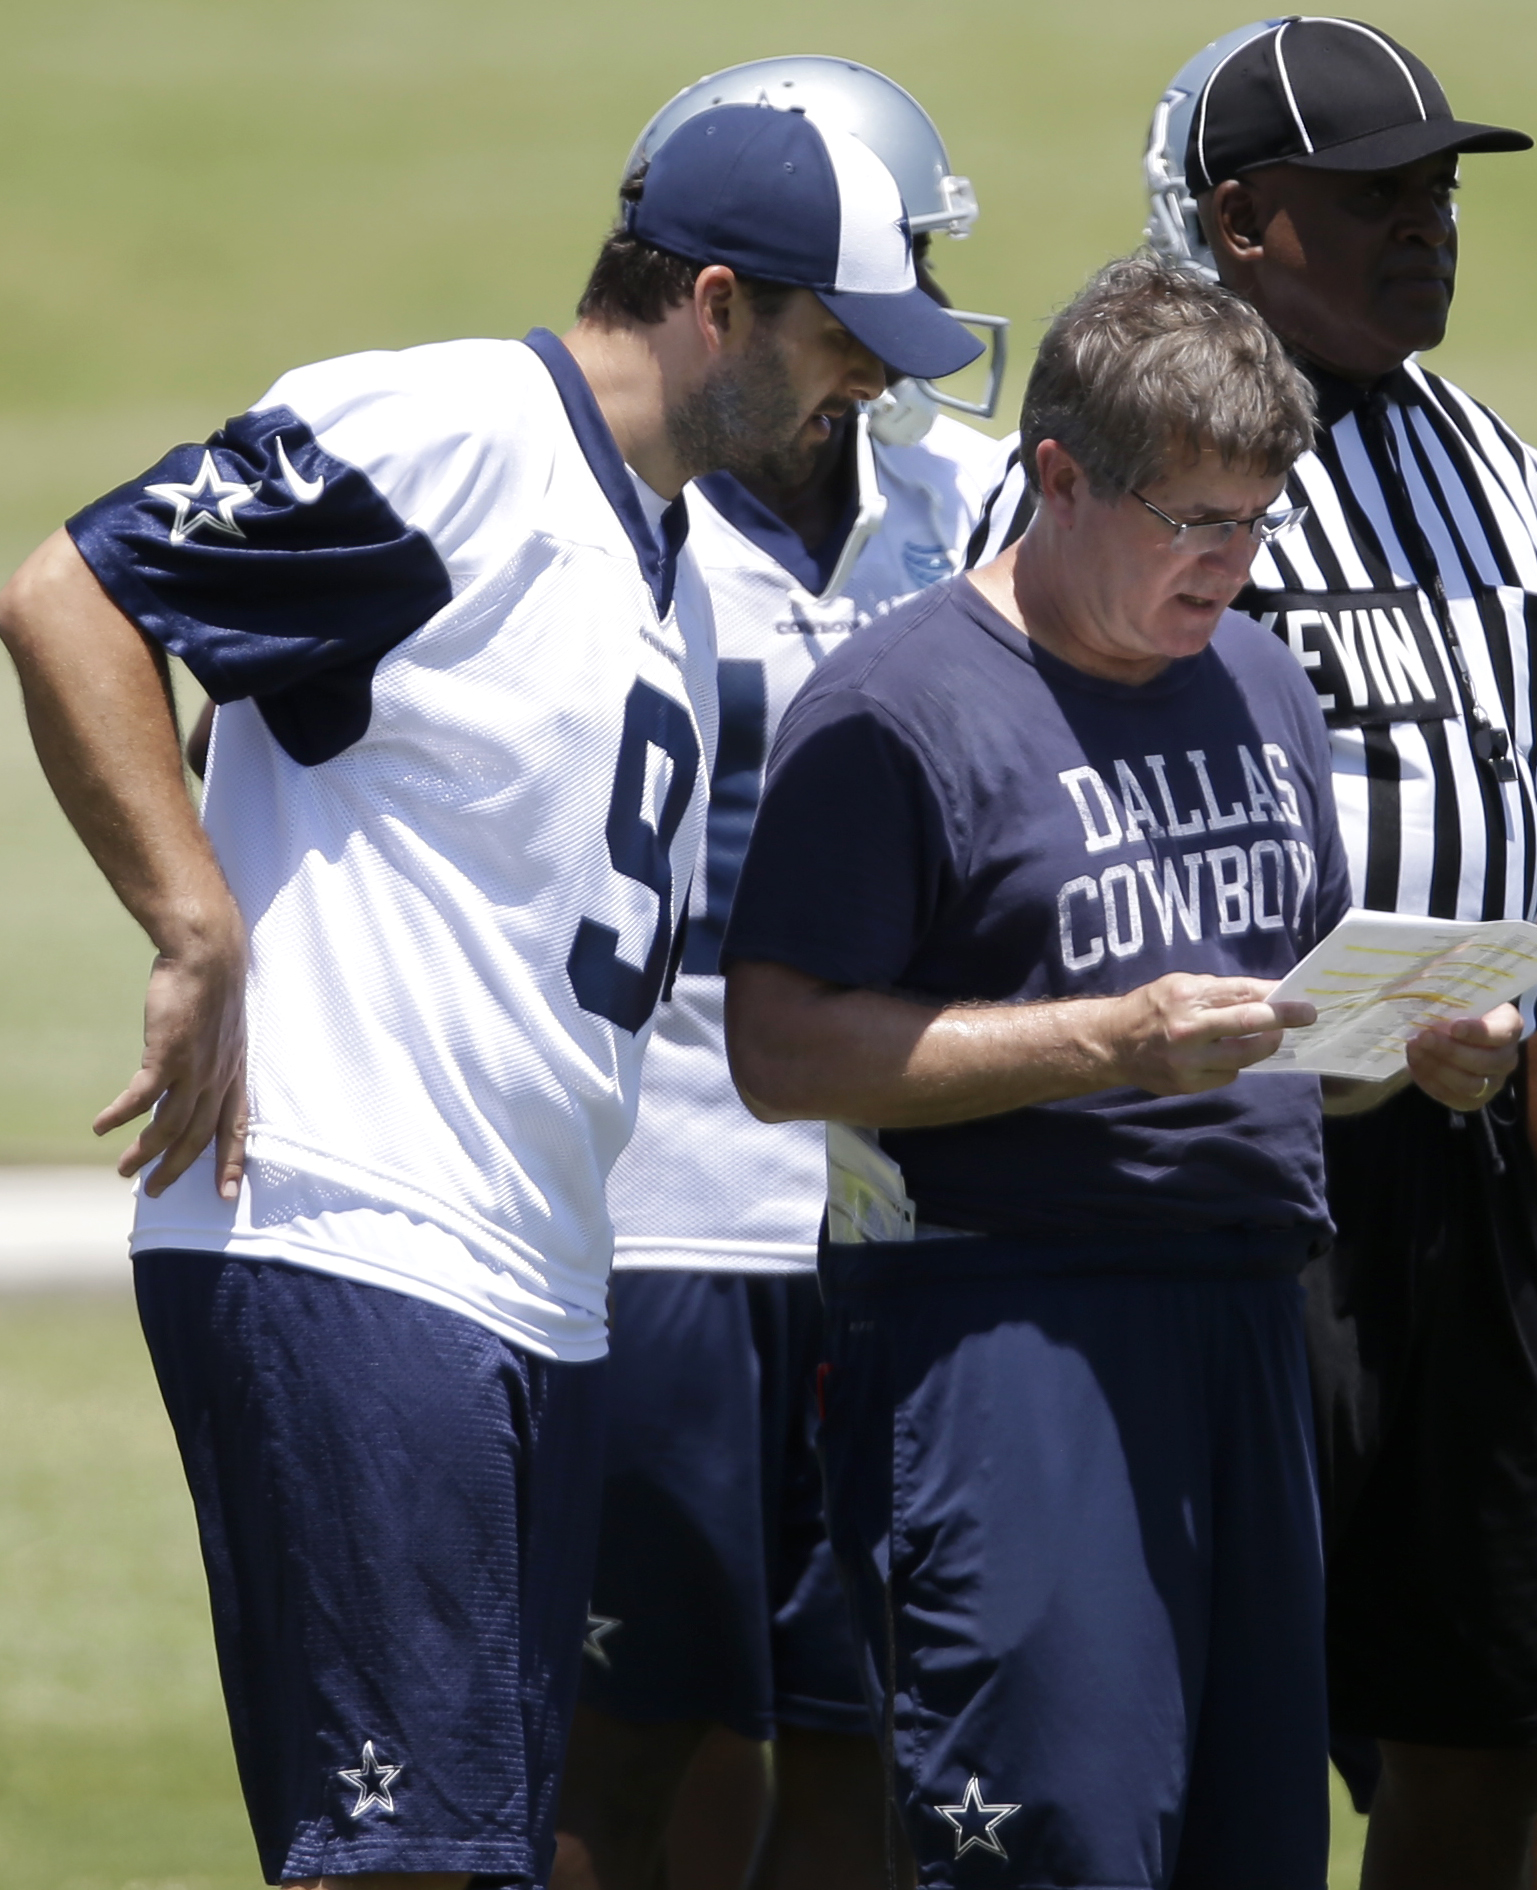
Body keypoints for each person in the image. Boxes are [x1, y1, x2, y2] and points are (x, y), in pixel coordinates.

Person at [0, 103, 980, 1890]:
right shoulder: (453, 428)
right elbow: (74, 592)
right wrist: (192, 916)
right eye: (839, 341)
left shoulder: (663, 543)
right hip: (358, 1232)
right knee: (408, 1864)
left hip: (528, 1275)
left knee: (479, 1852)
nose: (863, 388)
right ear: (710, 302)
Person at [722, 256, 1521, 1890]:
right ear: (1058, 476)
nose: (1226, 568)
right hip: (1005, 1327)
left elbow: (1277, 1044)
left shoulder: (1259, 680)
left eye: (1255, 522)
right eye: (1189, 522)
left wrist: (1410, 1056)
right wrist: (1107, 1041)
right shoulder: (895, 708)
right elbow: (780, 1045)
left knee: (1250, 1847)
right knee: (1058, 1840)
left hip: (1248, 1315)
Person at [1137, 20, 1537, 1889]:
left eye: (1437, 192)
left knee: (1480, 1736)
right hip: (1224, 1173)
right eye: (1374, 197)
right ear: (1243, 221)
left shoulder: (1503, 470)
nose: (1427, 227)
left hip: (1451, 1169)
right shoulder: (1136, 463)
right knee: (1216, 1726)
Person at [552, 59, 1012, 1890]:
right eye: (854, 308)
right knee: (629, 1743)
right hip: (661, 1204)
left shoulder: (977, 498)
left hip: (906, 1207)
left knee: (867, 1735)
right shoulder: (583, 500)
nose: (885, 356)